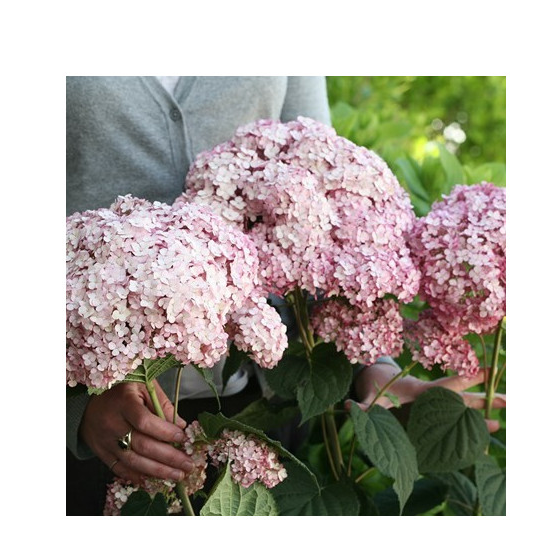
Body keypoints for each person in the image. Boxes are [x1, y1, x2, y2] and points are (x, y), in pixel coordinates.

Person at [66, 76, 504, 515]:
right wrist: (76, 409)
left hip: (269, 405)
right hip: (107, 432)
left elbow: (328, 189)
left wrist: (371, 366)